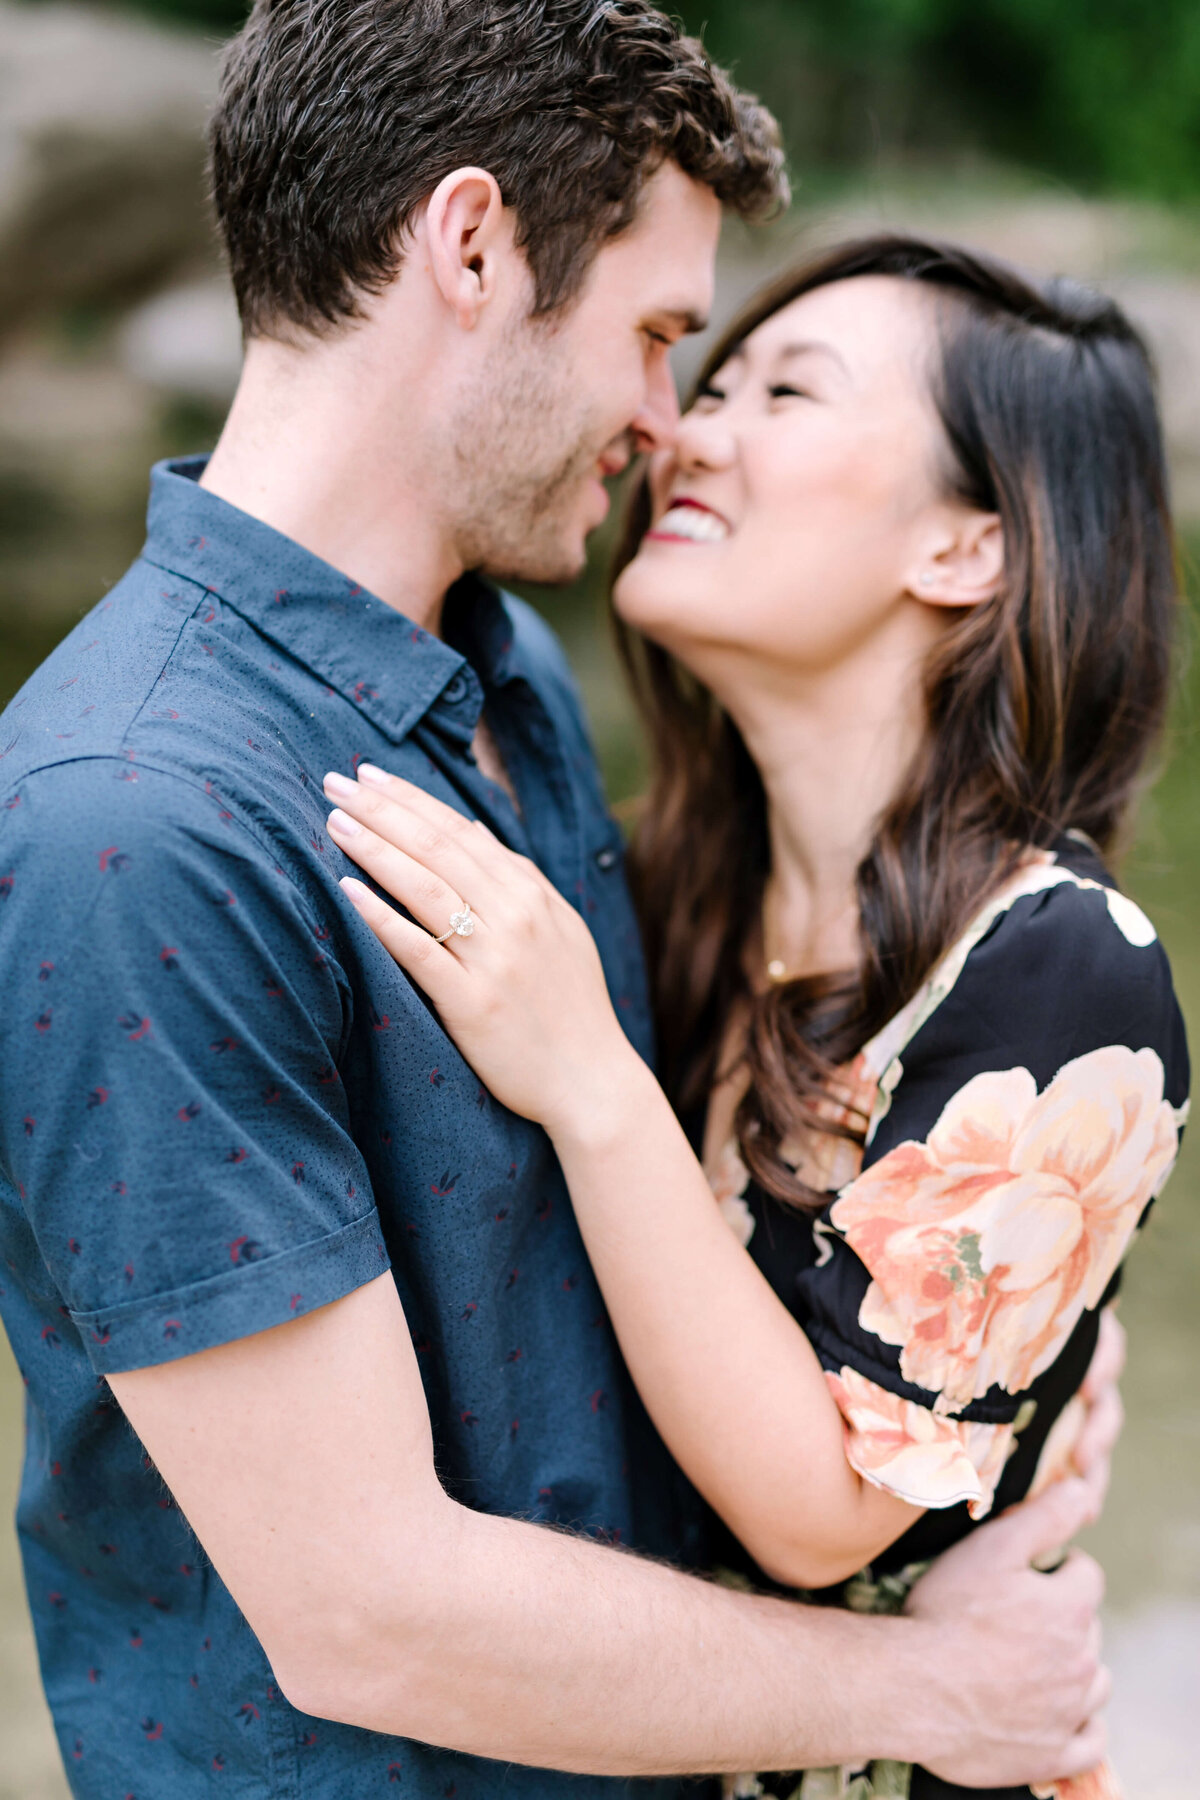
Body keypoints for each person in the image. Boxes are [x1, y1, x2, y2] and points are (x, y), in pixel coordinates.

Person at [0, 0, 1114, 1788]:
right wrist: (924, 1693)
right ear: (469, 246)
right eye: (660, 336)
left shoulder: (503, 663)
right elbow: (367, 1606)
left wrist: (987, 1387)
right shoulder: (133, 822)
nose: (668, 422)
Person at [324, 236, 1189, 1800]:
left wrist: (590, 1077)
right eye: (707, 379)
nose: (687, 433)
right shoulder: (666, 889)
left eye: (785, 391)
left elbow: (819, 1507)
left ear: (966, 551)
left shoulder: (1069, 973)